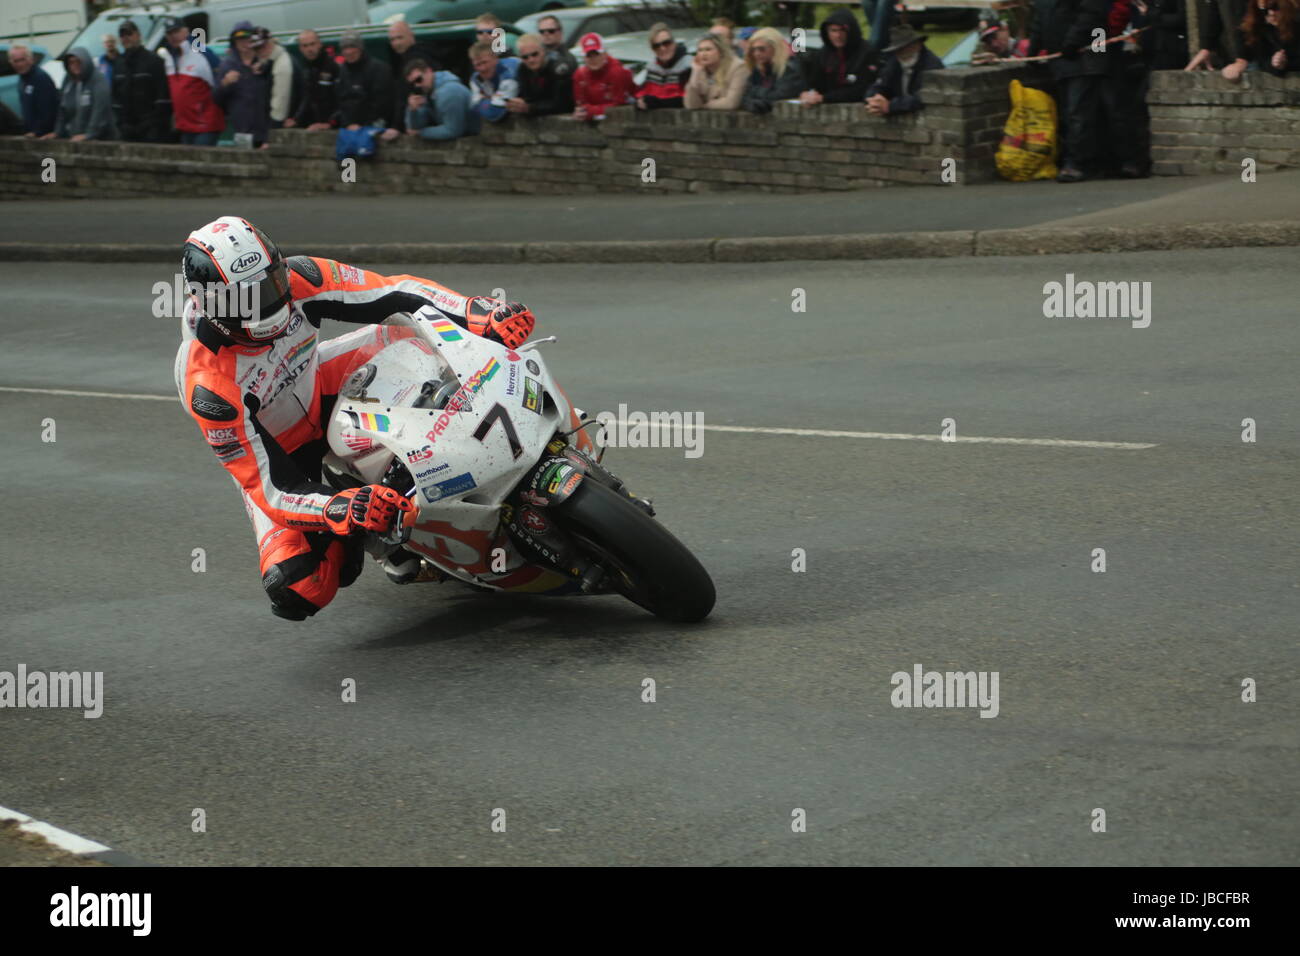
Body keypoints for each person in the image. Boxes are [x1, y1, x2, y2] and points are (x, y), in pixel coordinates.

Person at [175, 216, 538, 620]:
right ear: (215, 303)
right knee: (299, 586)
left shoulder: (302, 277)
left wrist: (475, 312)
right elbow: (272, 488)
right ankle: (390, 537)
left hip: (324, 380)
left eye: (272, 282)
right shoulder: (209, 387)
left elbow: (395, 292)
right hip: (285, 455)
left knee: (413, 334)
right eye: (252, 296)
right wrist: (340, 508)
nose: (274, 301)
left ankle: (518, 428)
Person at [1030, 0, 1125, 182]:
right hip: (1062, 61)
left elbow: (1091, 15)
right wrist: (1033, 51)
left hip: (1083, 58)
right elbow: (1039, 21)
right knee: (1070, 114)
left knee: (1078, 113)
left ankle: (1078, 163)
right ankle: (1080, 161)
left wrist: (1071, 43)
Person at [161, 18, 225, 146]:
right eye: (169, 33)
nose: (173, 36)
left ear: (186, 31)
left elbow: (220, 84)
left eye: (176, 31)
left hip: (206, 125)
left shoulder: (202, 53)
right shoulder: (169, 58)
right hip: (185, 126)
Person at [799, 9, 879, 106]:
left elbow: (862, 89)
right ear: (827, 32)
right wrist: (807, 94)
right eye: (833, 30)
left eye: (842, 30)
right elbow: (814, 83)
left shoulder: (867, 53)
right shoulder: (823, 54)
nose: (838, 35)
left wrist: (824, 98)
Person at [213, 21, 271, 148]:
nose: (245, 43)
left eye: (248, 39)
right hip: (242, 131)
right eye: (240, 40)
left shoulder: (265, 61)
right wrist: (225, 83)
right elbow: (217, 99)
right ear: (234, 42)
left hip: (267, 129)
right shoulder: (227, 65)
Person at [864, 24, 944, 115]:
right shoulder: (894, 62)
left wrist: (891, 106)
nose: (902, 53)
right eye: (898, 50)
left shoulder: (932, 65)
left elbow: (923, 97)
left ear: (918, 45)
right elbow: (880, 85)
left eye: (906, 48)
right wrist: (874, 100)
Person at [112, 20, 171, 142]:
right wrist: (120, 124)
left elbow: (163, 97)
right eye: (122, 35)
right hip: (126, 130)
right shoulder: (118, 64)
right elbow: (115, 97)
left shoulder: (154, 61)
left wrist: (152, 124)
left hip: (151, 130)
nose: (126, 38)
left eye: (129, 33)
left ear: (138, 35)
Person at [46, 46, 116, 140]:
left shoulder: (98, 79)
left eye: (78, 61)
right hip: (75, 136)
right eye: (71, 62)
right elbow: (62, 109)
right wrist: (57, 132)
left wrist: (90, 134)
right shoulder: (68, 81)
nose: (75, 65)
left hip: (101, 138)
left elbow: (100, 110)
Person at [1222, 0, 1300, 79]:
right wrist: (1275, 64)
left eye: (1275, 7)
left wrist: (1286, 63)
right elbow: (1262, 59)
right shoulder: (1259, 26)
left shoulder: (1295, 23)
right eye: (1265, 10)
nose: (1271, 13)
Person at [404, 58, 478, 139]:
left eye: (419, 79)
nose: (417, 85)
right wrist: (413, 111)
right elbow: (415, 127)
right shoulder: (428, 92)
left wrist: (421, 133)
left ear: (429, 71)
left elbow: (453, 130)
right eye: (412, 84)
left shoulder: (450, 91)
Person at [387, 19, 440, 131]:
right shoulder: (404, 59)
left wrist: (396, 127)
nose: (396, 43)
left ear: (411, 36)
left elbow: (408, 95)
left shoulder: (418, 59)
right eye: (392, 40)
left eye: (400, 37)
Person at [335, 30, 394, 130]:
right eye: (345, 48)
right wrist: (347, 123)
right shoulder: (341, 71)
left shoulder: (379, 69)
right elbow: (341, 101)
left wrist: (364, 125)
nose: (349, 51)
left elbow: (382, 102)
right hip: (349, 128)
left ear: (361, 48)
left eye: (353, 46)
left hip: (373, 126)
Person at [740, 26, 804, 113]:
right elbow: (745, 97)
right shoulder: (758, 70)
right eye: (753, 50)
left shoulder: (790, 68)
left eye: (761, 49)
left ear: (775, 48)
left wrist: (757, 92)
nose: (757, 53)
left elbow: (779, 96)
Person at [509, 33, 575, 117]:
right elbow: (526, 96)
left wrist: (530, 107)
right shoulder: (523, 69)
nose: (531, 60)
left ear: (543, 51)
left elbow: (562, 104)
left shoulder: (557, 68)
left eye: (535, 54)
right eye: (525, 57)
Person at [572, 33, 635, 120]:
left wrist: (592, 111)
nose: (593, 59)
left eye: (597, 54)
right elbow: (581, 107)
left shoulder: (617, 72)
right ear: (584, 58)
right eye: (589, 55)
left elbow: (619, 107)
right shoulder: (580, 75)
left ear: (605, 54)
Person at [286, 29, 339, 130]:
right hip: (313, 125)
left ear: (319, 44)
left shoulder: (334, 66)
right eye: (305, 46)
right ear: (300, 48)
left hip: (334, 126)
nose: (309, 49)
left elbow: (343, 101)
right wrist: (296, 119)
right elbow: (307, 97)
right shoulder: (305, 68)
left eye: (312, 44)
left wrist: (331, 124)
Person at [636, 22, 692, 110]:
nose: (662, 48)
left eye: (666, 43)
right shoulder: (651, 67)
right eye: (656, 46)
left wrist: (657, 103)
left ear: (674, 43)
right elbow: (641, 95)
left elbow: (689, 100)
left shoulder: (689, 65)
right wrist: (640, 102)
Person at [253, 28, 300, 129]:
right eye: (256, 48)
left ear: (271, 42)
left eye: (263, 46)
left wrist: (269, 133)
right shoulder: (271, 61)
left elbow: (279, 109)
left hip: (281, 127)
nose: (260, 51)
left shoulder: (282, 65)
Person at [684, 34, 746, 110]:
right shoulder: (700, 70)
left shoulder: (738, 67)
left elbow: (731, 103)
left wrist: (704, 106)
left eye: (708, 49)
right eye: (700, 50)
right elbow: (691, 105)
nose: (703, 54)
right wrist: (695, 73)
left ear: (720, 51)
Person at [9, 44, 59, 137]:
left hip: (45, 136)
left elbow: (48, 110)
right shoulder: (22, 80)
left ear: (30, 59)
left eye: (22, 60)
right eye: (16, 61)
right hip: (31, 134)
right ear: (11, 62)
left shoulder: (40, 78)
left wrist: (37, 132)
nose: (19, 64)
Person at [467, 41, 521, 123]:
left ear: (496, 59)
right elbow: (473, 108)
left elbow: (495, 112)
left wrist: (486, 99)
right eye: (477, 65)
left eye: (485, 62)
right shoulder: (476, 78)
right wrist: (493, 100)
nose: (482, 68)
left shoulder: (509, 73)